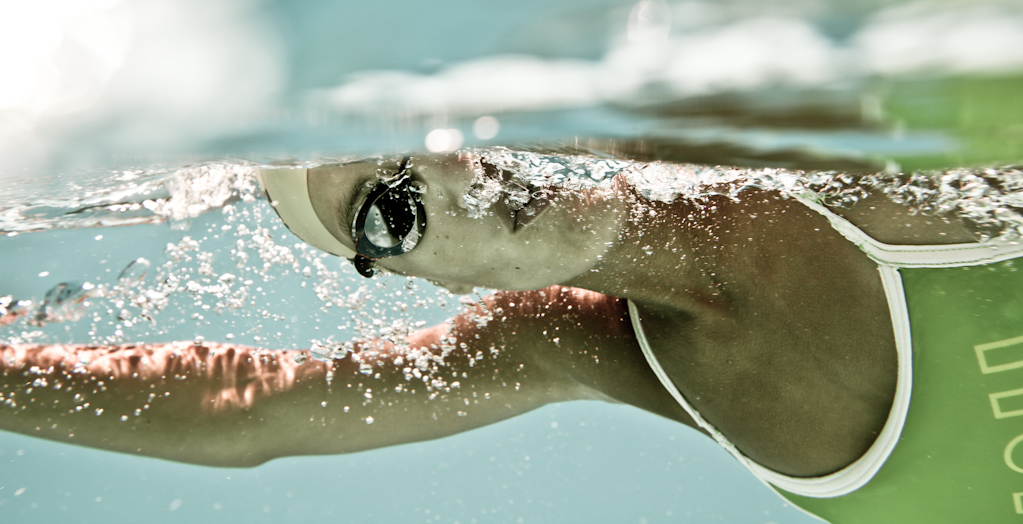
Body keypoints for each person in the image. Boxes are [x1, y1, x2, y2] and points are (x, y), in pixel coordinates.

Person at [2, 151, 1022, 523]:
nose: (455, 170)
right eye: (393, 209)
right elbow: (252, 405)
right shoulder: (577, 341)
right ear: (428, 275)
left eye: (430, 122)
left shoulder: (788, 125)